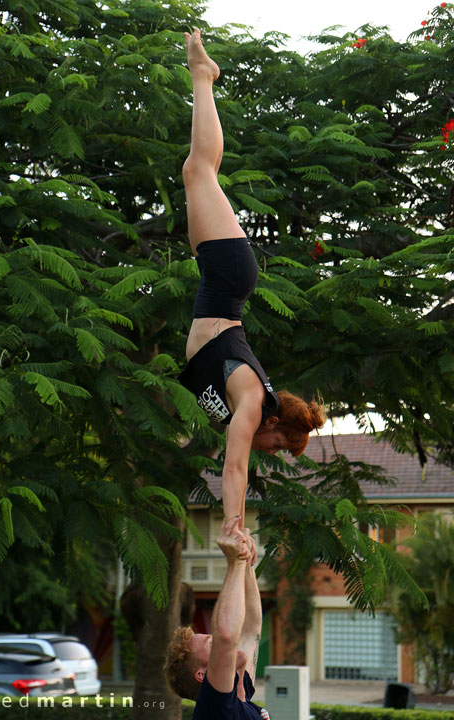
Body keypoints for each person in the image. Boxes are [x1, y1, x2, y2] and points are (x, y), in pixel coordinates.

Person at [178, 28, 325, 527]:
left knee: (197, 171)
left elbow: (238, 460)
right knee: (200, 171)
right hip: (226, 275)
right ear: (277, 427)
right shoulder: (250, 403)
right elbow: (235, 467)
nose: (271, 449)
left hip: (222, 279)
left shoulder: (249, 401)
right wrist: (233, 527)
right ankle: (204, 76)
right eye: (281, 444)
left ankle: (204, 78)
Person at [164, 516, 270, 719]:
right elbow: (227, 635)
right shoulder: (214, 709)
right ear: (202, 675)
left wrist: (247, 563)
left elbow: (251, 629)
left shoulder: (240, 695)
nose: (222, 645)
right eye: (212, 644)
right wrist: (235, 562)